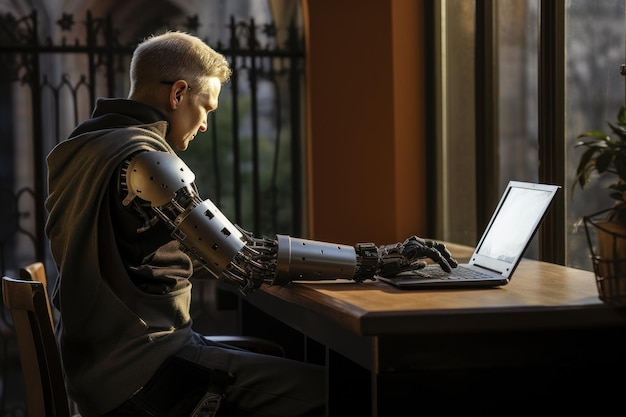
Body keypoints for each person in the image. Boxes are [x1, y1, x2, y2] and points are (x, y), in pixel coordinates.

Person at [45, 31, 457, 417]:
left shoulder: (81, 149)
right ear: (178, 93)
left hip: (97, 374)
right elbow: (246, 262)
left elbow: (165, 254)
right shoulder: (145, 158)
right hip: (147, 376)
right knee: (353, 393)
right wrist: (379, 259)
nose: (205, 124)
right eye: (206, 107)